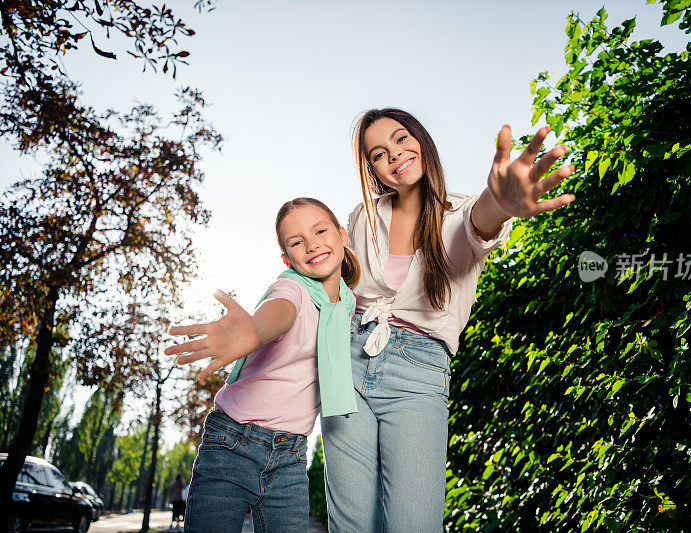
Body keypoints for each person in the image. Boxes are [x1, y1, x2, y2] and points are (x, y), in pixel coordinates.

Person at [320, 108, 575, 532]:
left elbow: (479, 224)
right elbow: (334, 289)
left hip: (417, 372)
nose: (395, 155)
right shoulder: (362, 217)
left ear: (421, 138)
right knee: (351, 526)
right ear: (373, 170)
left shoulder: (460, 211)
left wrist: (502, 202)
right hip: (346, 360)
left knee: (413, 524)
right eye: (379, 153)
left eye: (401, 138)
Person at [165, 197, 361, 533]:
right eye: (297, 242)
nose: (311, 244)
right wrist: (254, 330)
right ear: (287, 258)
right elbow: (279, 311)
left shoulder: (346, 303)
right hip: (232, 444)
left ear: (342, 235)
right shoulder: (293, 288)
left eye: (320, 231)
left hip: (290, 458)